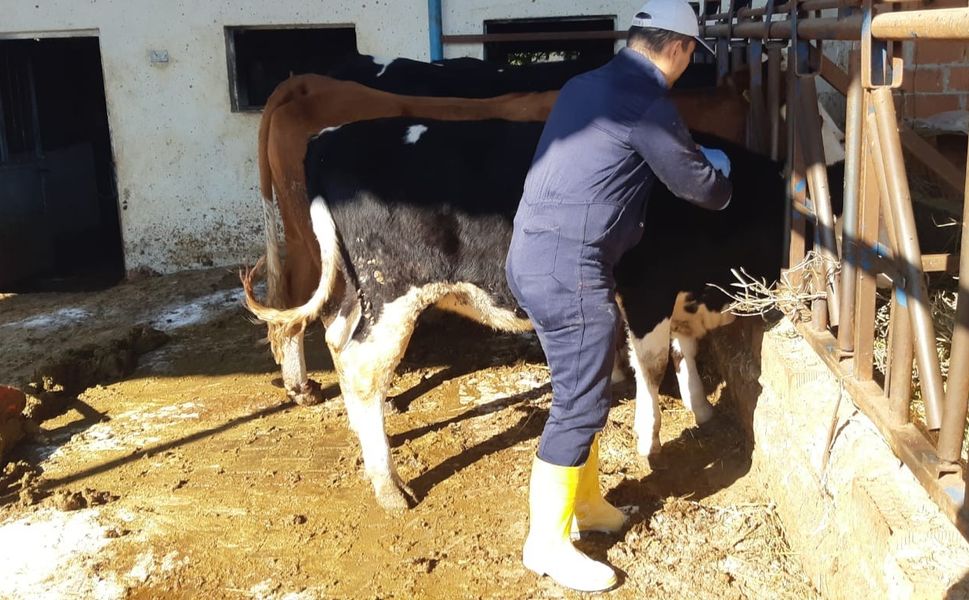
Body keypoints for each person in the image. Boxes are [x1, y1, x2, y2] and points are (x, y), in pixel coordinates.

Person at [505, 0, 734, 592]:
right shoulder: (647, 101)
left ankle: (586, 505)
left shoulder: (589, 82)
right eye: (690, 54)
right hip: (568, 268)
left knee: (579, 389)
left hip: (535, 250)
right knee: (578, 404)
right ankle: (547, 544)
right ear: (680, 48)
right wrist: (723, 174)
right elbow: (698, 188)